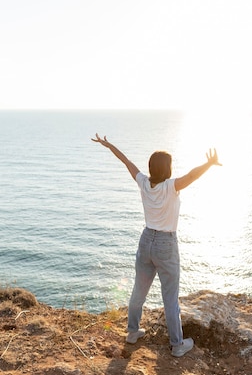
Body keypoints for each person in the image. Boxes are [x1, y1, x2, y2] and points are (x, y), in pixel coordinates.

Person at [91, 133, 221, 357]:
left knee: (138, 290)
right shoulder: (171, 186)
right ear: (167, 169)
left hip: (146, 240)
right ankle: (177, 345)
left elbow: (126, 161)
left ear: (151, 167)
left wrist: (108, 144)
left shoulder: (143, 182)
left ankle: (132, 332)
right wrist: (209, 164)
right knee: (170, 297)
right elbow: (192, 175)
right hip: (165, 244)